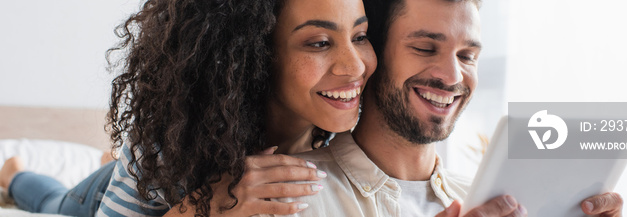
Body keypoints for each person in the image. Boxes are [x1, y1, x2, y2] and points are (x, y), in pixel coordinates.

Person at [0, 0, 376, 216]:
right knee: (53, 203)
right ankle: (14, 173)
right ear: (255, 56)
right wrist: (207, 205)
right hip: (96, 201)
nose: (356, 66)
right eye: (319, 43)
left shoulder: (354, 132)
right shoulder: (172, 139)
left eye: (360, 36)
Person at [265, 0, 625, 216]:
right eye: (424, 48)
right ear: (371, 52)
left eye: (467, 56)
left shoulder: (491, 202)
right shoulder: (286, 197)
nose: (452, 76)